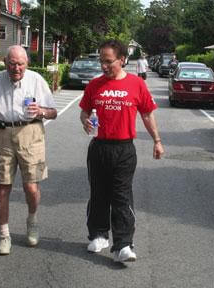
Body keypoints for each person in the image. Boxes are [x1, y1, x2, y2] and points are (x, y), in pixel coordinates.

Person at [79, 39, 164, 263]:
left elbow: (147, 114)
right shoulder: (94, 85)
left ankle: (123, 244)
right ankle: (98, 235)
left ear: (123, 60)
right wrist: (86, 121)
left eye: (109, 61)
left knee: (121, 196)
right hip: (99, 148)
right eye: (101, 61)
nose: (104, 66)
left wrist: (157, 140)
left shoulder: (136, 84)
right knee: (98, 193)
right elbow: (84, 112)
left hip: (124, 148)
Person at [0, 45, 57, 255]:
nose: (16, 68)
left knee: (31, 187)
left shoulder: (36, 80)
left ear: (26, 63)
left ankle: (32, 219)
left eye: (20, 64)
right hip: (3, 134)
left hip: (31, 133)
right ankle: (4, 235)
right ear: (5, 63)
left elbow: (53, 112)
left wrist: (42, 111)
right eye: (12, 63)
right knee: (2, 188)